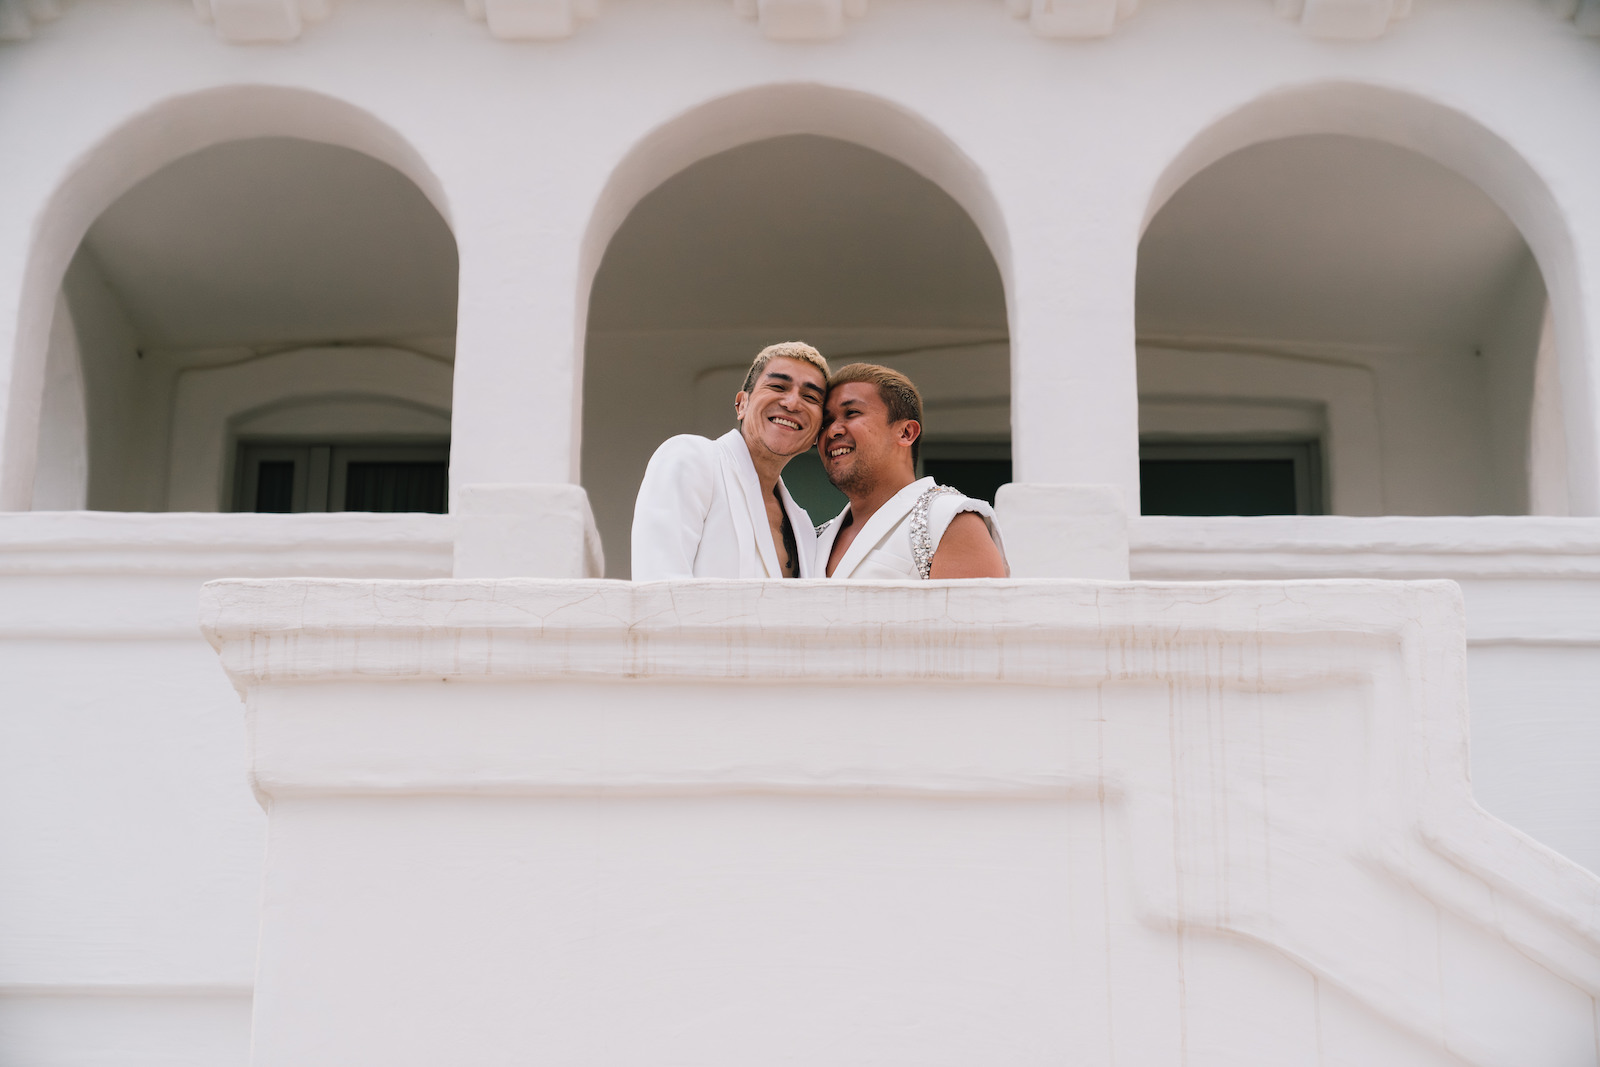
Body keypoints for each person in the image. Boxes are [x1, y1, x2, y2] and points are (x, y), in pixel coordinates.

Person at [631, 342, 830, 579]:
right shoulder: (692, 459)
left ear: (818, 430)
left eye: (810, 397)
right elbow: (658, 588)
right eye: (778, 386)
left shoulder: (804, 527)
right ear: (741, 404)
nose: (792, 403)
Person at [815, 363, 1008, 580]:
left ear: (906, 433)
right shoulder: (814, 540)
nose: (833, 430)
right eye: (827, 421)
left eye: (851, 413)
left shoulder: (950, 520)